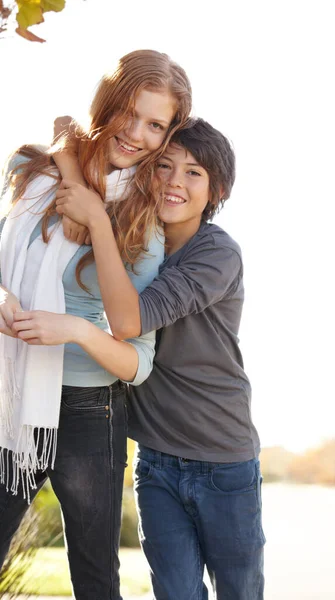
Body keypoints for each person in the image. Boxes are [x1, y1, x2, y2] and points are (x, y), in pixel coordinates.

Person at [0, 49, 192, 600]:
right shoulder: (29, 169)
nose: (136, 134)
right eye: (129, 112)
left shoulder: (142, 221)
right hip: (12, 398)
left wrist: (75, 328)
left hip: (90, 407)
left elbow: (137, 359)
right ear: (106, 102)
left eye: (155, 125)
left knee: (95, 581)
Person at [53, 117, 265, 600]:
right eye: (164, 166)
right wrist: (69, 158)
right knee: (175, 593)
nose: (174, 181)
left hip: (223, 458)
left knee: (240, 590)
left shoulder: (217, 254)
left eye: (194, 173)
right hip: (156, 459)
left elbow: (129, 321)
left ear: (218, 191)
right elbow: (68, 131)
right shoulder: (131, 242)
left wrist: (98, 222)